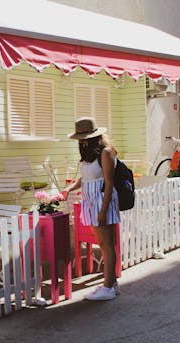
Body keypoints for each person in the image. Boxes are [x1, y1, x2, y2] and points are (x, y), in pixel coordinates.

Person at [62, 116, 120, 301]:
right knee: (102, 244)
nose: (81, 141)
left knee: (107, 244)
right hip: (90, 201)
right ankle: (111, 283)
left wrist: (103, 210)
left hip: (102, 200)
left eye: (83, 137)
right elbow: (86, 177)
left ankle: (108, 287)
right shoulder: (89, 154)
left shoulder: (106, 152)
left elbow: (109, 183)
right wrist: (70, 188)